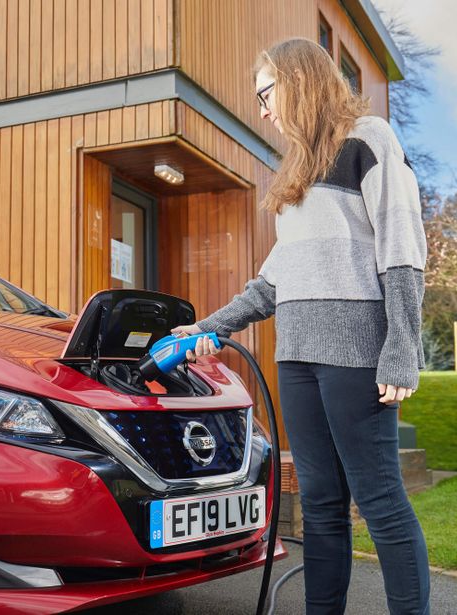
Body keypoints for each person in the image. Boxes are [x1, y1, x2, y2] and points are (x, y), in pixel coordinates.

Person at [171, 38, 431, 614]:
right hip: (298, 356)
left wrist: (401, 349)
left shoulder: (370, 140)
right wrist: (204, 328)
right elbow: (272, 283)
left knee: (380, 498)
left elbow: (403, 251)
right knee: (318, 501)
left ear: (298, 81)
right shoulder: (296, 175)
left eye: (266, 93)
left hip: (358, 354)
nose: (262, 110)